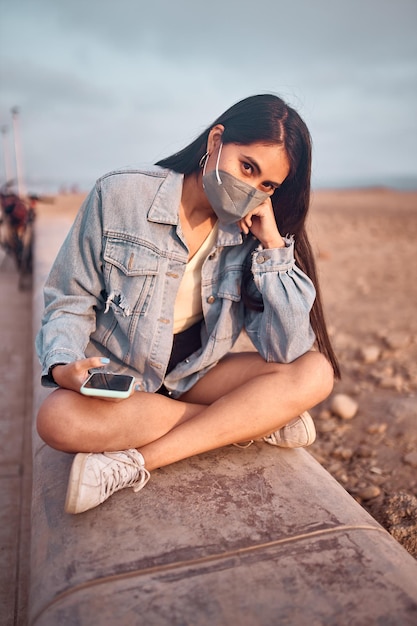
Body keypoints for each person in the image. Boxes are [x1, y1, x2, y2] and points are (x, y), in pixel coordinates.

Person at [36, 93, 339, 515]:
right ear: (216, 141)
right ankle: (242, 422)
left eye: (266, 185)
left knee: (316, 371)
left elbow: (286, 350)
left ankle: (135, 462)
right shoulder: (121, 194)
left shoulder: (251, 236)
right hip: (125, 385)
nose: (250, 189)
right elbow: (70, 297)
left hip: (195, 377)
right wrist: (64, 366)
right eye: (247, 167)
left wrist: (273, 247)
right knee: (56, 419)